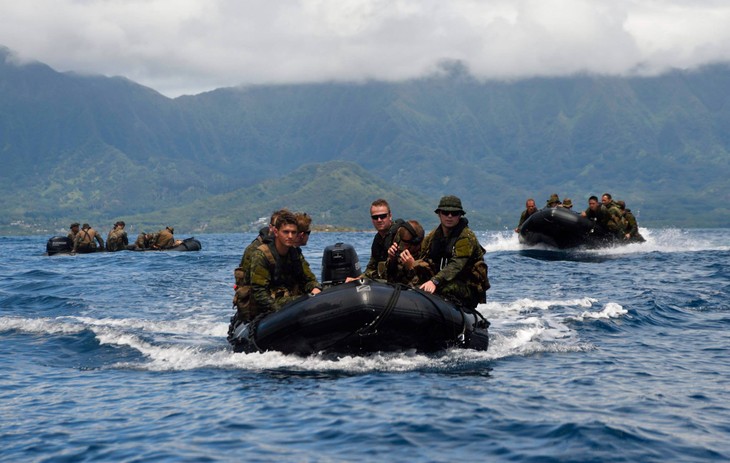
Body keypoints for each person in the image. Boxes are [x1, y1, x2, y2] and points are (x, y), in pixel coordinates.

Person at [418, 196, 490, 310]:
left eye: (454, 213)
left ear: (460, 215)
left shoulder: (465, 237)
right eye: (446, 212)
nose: (449, 216)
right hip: (446, 279)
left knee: (443, 288)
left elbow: (456, 264)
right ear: (439, 214)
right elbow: (422, 255)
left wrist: (435, 281)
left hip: (468, 287)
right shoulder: (433, 236)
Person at [247, 211, 322, 319]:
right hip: (270, 305)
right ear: (276, 232)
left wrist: (315, 288)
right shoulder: (261, 255)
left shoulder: (295, 253)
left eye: (293, 232)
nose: (290, 236)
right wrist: (278, 311)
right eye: (286, 232)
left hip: (289, 299)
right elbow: (259, 292)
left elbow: (308, 279)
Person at [346, 198, 396, 282]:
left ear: (390, 216)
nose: (379, 220)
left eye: (383, 216)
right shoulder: (378, 239)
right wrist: (358, 280)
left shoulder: (400, 234)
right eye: (375, 217)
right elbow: (371, 267)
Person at [384, 220, 433, 286]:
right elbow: (390, 279)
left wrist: (412, 267)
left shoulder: (427, 257)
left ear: (416, 243)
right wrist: (392, 260)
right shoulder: (400, 250)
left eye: (406, 244)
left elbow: (422, 287)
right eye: (402, 243)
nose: (404, 247)